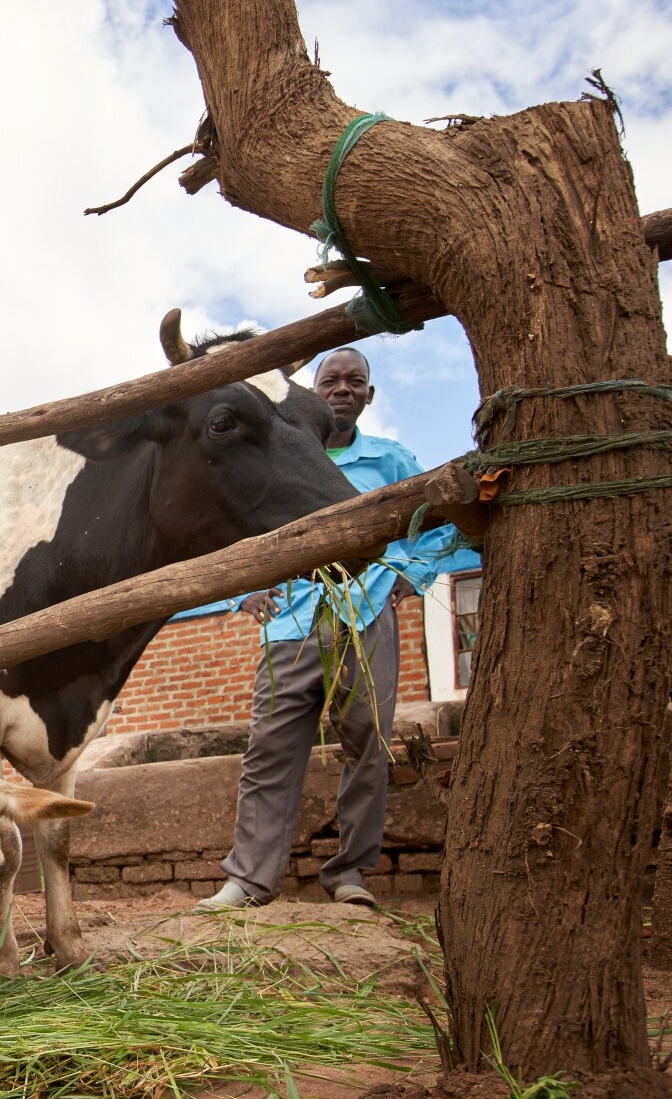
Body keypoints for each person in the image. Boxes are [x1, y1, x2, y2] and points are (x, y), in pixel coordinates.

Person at [197, 347, 476, 912]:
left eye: (355, 381)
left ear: (369, 396)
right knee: (268, 748)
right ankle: (249, 879)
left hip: (366, 614)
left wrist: (409, 575)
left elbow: (432, 530)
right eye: (331, 380)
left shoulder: (392, 461)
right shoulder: (273, 459)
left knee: (367, 744)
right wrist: (242, 591)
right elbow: (226, 528)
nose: (342, 389)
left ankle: (351, 874)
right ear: (310, 394)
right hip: (291, 623)